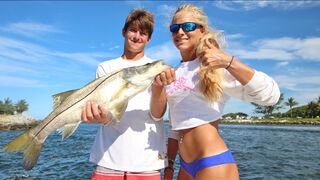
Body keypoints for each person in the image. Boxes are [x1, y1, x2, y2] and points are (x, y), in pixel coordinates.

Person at [153, 4, 281, 180]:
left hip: (213, 163)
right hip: (185, 166)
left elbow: (271, 95)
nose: (180, 32)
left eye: (188, 26)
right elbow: (176, 126)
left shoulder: (215, 65)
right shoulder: (174, 72)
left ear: (202, 30)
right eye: (175, 28)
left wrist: (229, 62)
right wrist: (169, 166)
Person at [81, 8, 174, 180]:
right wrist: (99, 117)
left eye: (143, 33)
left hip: (147, 163)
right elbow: (108, 117)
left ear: (149, 39)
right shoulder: (105, 68)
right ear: (124, 31)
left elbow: (157, 115)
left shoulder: (156, 69)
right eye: (133, 30)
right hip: (108, 160)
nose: (137, 36)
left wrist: (158, 88)